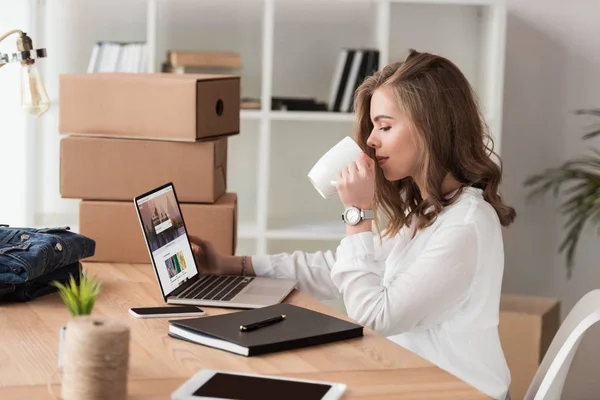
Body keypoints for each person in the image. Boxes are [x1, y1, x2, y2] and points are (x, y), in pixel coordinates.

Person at [190, 49, 516, 400]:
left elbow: (375, 315)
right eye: (373, 126)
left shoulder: (464, 225)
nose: (372, 140)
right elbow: (341, 269)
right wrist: (234, 266)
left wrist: (358, 214)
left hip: (457, 392)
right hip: (413, 381)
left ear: (431, 128)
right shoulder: (426, 209)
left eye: (385, 126)